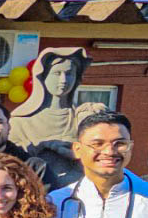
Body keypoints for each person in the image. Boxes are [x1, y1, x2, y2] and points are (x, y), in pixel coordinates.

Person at [9, 46, 108, 190]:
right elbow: (9, 162)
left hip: (78, 193)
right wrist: (42, 145)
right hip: (34, 194)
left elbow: (101, 157)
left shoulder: (83, 117)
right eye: (57, 73)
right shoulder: (20, 121)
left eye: (69, 74)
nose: (63, 80)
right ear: (43, 76)